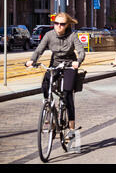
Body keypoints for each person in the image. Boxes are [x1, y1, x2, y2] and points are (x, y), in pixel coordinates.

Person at [26, 12, 85, 142]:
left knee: (67, 93)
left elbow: (81, 51)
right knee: (45, 85)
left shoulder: (72, 36)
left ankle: (71, 128)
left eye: (62, 24)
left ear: (67, 25)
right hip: (55, 64)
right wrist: (32, 60)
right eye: (56, 23)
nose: (58, 26)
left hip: (70, 65)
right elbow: (39, 49)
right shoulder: (49, 35)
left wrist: (78, 61)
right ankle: (50, 110)